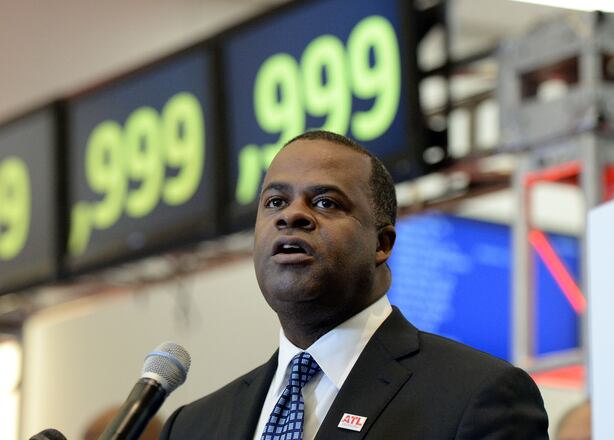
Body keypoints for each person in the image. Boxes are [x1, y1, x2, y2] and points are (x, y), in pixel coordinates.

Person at [159, 130, 549, 439]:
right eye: (275, 202)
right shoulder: (192, 427)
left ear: (382, 244)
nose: (292, 215)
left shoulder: (476, 395)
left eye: (326, 203)